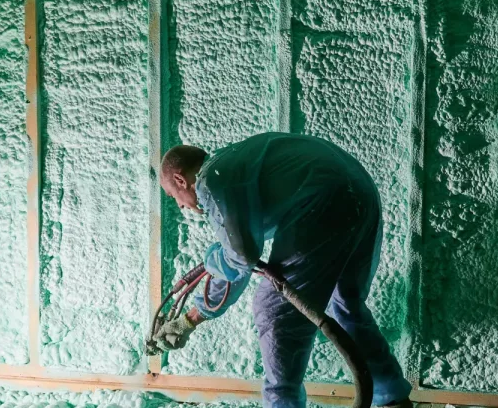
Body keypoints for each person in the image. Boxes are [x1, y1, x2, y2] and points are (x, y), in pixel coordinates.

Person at [154, 132, 412, 408]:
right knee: (346, 303)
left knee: (276, 310)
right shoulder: (232, 166)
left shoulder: (212, 181)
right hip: (360, 193)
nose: (181, 206)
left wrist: (211, 261)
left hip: (326, 200)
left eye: (173, 196)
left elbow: (240, 257)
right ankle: (393, 398)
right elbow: (242, 261)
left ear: (181, 180)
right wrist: (189, 320)